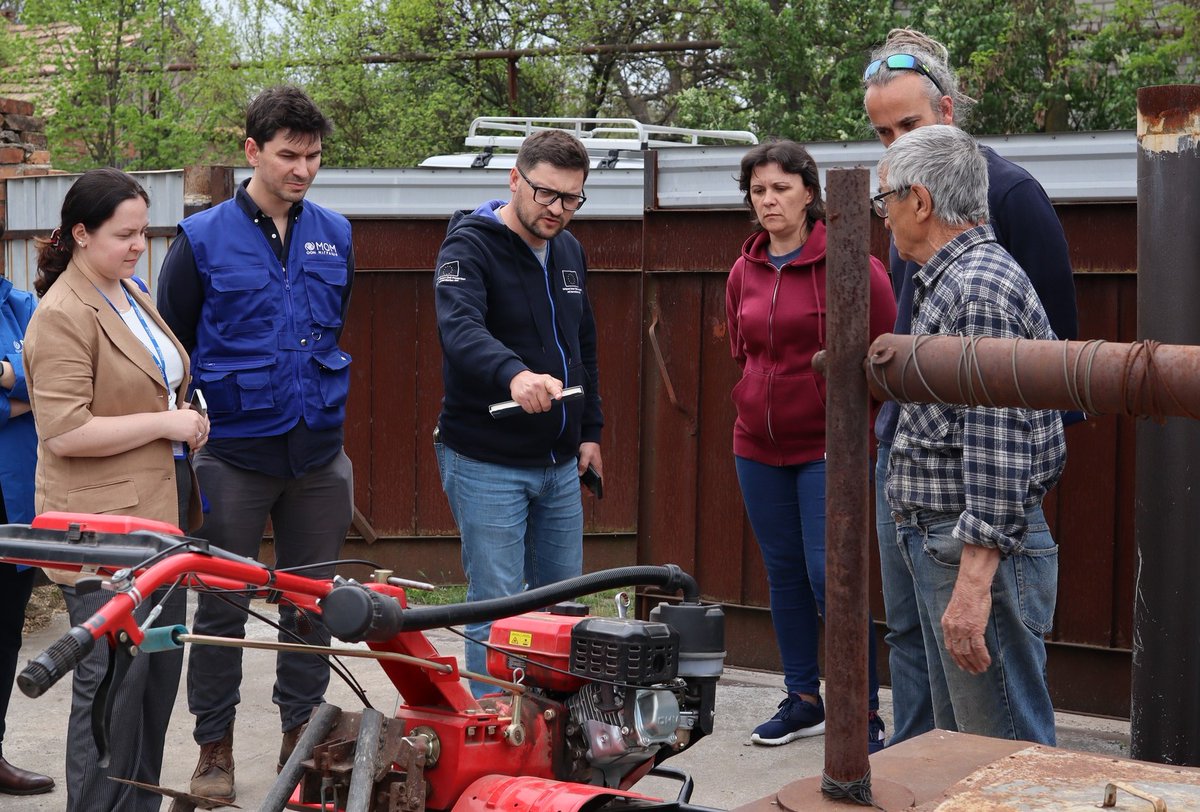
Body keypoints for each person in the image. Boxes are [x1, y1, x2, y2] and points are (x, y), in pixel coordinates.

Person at [862, 27, 1078, 746]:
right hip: (943, 529)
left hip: (968, 533)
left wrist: (975, 580)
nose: (882, 213)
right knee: (963, 749)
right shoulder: (944, 273)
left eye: (885, 200)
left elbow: (1002, 440)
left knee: (1003, 750)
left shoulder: (978, 286)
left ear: (920, 201)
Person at [157, 85, 355, 803]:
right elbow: (173, 344)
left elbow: (332, 328)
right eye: (288, 155)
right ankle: (214, 751)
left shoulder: (336, 230)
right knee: (220, 611)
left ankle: (302, 746)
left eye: (314, 156)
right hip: (233, 457)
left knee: (312, 605)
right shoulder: (201, 237)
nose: (303, 169)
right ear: (253, 151)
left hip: (317, 458)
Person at [22, 168, 207, 811]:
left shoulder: (127, 290)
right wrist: (167, 423)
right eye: (123, 234)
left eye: (143, 233)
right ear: (79, 233)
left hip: (158, 526)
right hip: (100, 534)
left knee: (155, 686)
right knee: (108, 695)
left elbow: (153, 379)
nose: (138, 246)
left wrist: (187, 414)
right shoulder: (62, 313)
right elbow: (64, 430)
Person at [726, 140, 896, 749]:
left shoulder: (852, 263)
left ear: (808, 193)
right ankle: (802, 699)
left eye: (780, 188)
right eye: (758, 190)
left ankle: (862, 713)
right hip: (757, 447)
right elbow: (742, 353)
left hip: (830, 449)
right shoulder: (743, 268)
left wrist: (858, 426)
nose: (769, 200)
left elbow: (885, 357)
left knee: (835, 578)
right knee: (785, 575)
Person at [433, 128, 603, 698]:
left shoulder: (570, 250)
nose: (558, 210)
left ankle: (555, 732)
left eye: (572, 199)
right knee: (497, 608)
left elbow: (583, 346)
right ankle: (492, 733)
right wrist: (515, 374)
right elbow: (460, 329)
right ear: (514, 179)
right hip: (487, 460)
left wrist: (591, 432)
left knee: (561, 610)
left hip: (559, 464)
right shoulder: (468, 247)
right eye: (546, 194)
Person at [0, 247, 55, 797]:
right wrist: (16, 394)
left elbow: (53, 388)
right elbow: (31, 395)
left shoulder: (24, 307)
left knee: (3, 635)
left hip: (13, 501)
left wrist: (11, 380)